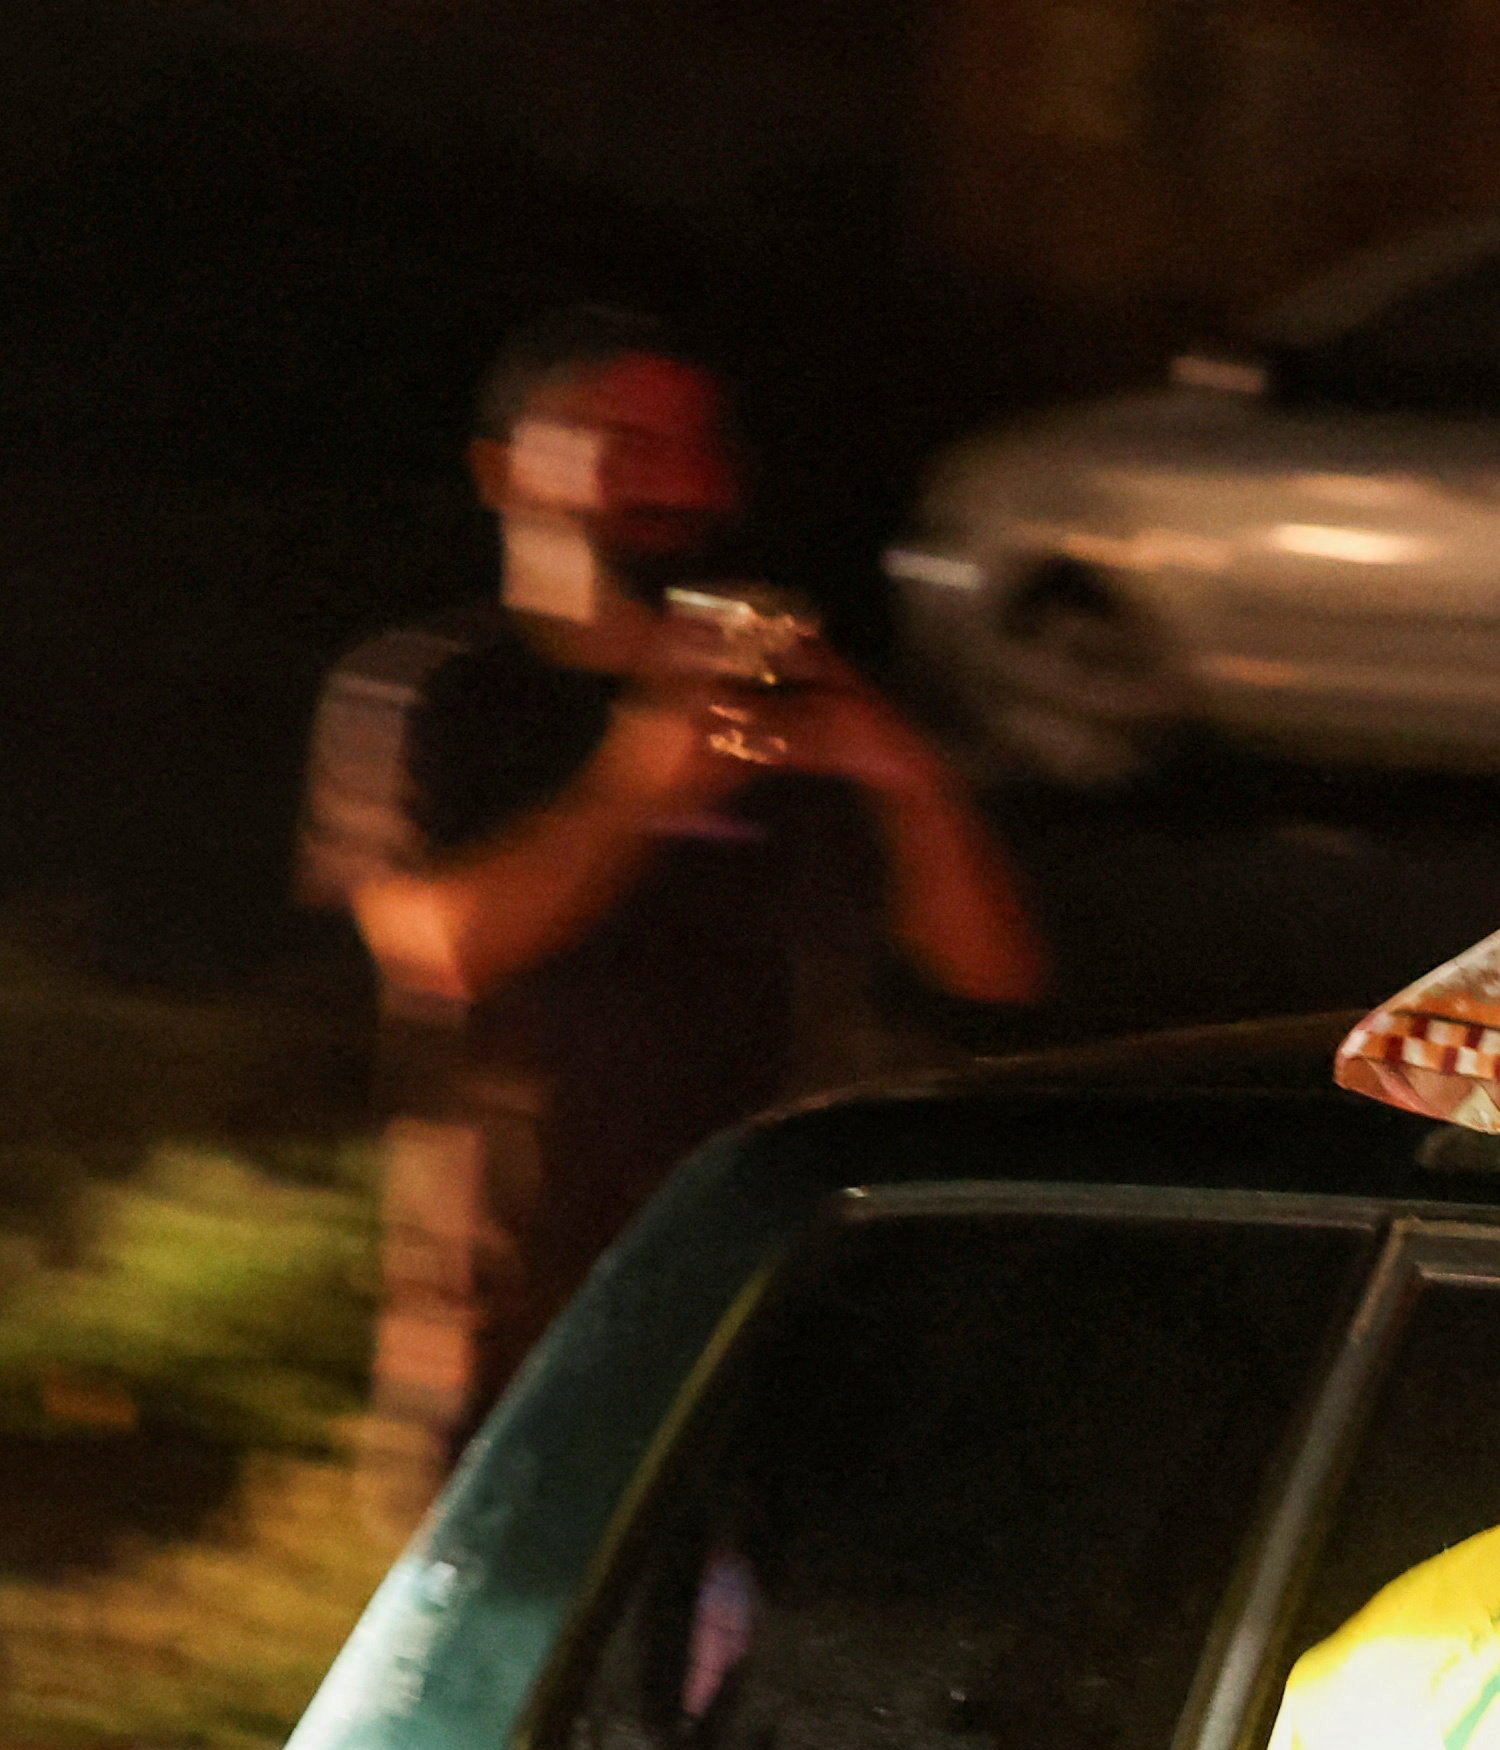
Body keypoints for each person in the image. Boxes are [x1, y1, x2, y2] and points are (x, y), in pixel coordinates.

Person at [303, 309, 1043, 1480]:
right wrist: (642, 778)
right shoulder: (437, 694)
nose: (670, 476)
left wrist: (907, 776)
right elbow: (441, 947)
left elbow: (995, 974)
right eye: (618, 437)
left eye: (695, 444)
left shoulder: (794, 692)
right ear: (503, 469)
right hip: (524, 1320)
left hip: (776, 1290)